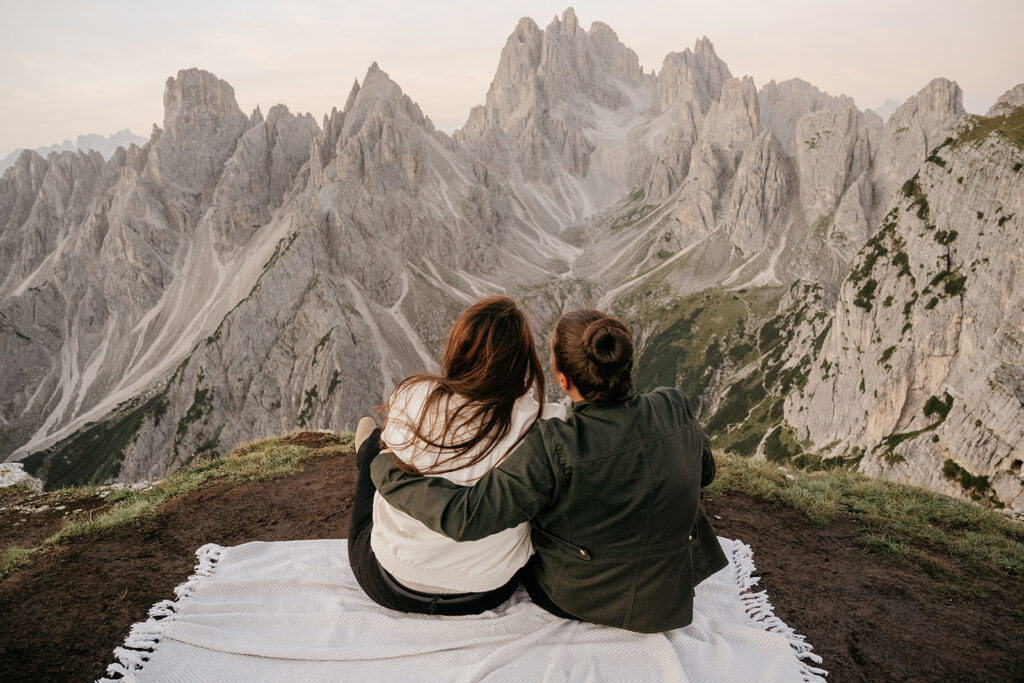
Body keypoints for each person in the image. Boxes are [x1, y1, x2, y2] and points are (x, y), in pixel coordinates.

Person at [370, 308, 728, 633]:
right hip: (668, 594)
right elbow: (706, 473)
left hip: (576, 597)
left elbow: (468, 517)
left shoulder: (556, 444)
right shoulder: (672, 405)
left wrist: (385, 468)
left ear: (562, 378)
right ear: (624, 362)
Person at [347, 296, 566, 615]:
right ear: (521, 361)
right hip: (486, 592)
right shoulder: (547, 421)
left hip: (392, 584)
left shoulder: (412, 395)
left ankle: (365, 448)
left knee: (376, 448)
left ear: (458, 349)